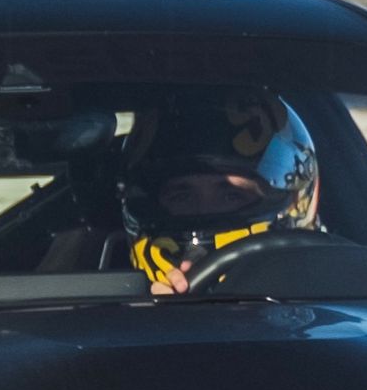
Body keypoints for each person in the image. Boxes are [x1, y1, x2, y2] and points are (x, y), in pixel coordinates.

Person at [118, 93, 323, 292]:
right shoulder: (116, 319)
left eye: (232, 196)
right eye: (182, 197)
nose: (203, 212)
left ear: (293, 202)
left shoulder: (329, 292)